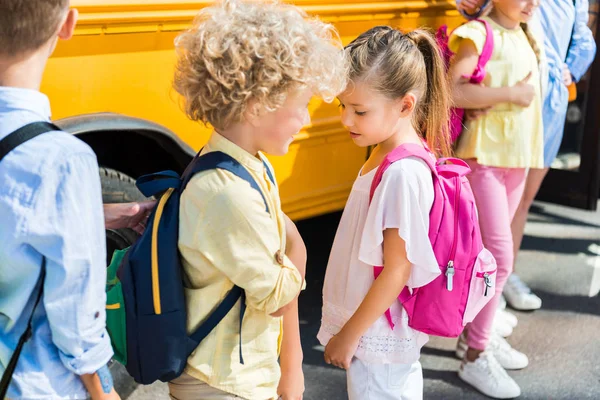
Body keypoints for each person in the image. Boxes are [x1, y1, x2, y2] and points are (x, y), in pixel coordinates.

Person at [168, 1, 347, 399]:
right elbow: (275, 293)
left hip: (237, 372)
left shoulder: (247, 166)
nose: (305, 119)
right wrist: (297, 245)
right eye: (300, 105)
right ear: (256, 105)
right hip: (220, 382)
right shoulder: (227, 192)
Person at [317, 25, 451, 399]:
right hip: (375, 336)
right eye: (343, 107)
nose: (346, 120)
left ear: (405, 105)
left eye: (359, 110)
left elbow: (398, 268)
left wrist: (349, 335)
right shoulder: (385, 152)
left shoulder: (401, 174)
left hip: (378, 340)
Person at [0, 0, 121, 398]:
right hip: (28, 382)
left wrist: (92, 216)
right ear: (68, 23)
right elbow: (76, 313)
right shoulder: (62, 160)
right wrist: (102, 389)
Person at [449, 0, 544, 397]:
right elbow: (452, 90)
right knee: (499, 257)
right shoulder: (478, 33)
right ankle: (475, 355)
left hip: (516, 158)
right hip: (484, 157)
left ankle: (477, 336)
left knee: (493, 257)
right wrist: (512, 93)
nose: (532, 2)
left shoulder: (525, 32)